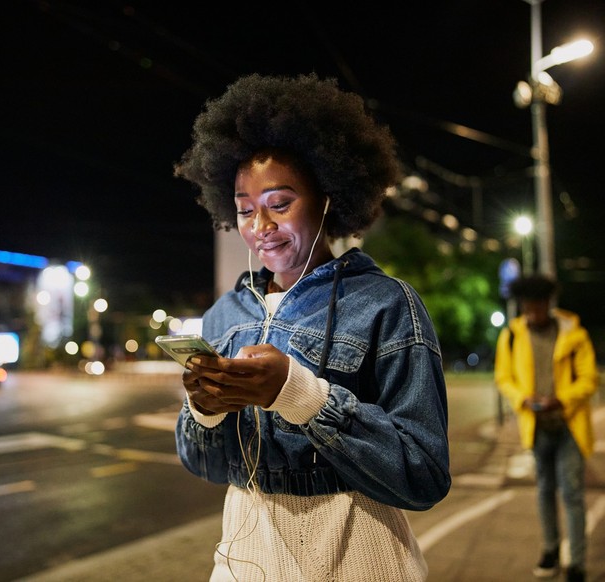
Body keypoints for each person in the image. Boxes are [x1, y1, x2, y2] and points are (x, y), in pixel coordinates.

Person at [171, 73, 451, 581]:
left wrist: (299, 394)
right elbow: (205, 465)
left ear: (327, 196)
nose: (260, 228)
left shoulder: (387, 306)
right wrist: (204, 410)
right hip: (243, 566)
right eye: (245, 211)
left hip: (358, 564)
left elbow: (423, 474)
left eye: (280, 204)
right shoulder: (224, 316)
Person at [494, 274, 599, 582]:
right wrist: (523, 399)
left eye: (539, 306)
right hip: (535, 425)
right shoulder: (511, 336)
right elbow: (504, 377)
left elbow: (589, 378)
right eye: (528, 306)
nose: (533, 313)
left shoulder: (574, 334)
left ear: (548, 304)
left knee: (572, 493)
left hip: (569, 425)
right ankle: (550, 550)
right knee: (544, 491)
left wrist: (561, 400)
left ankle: (576, 563)